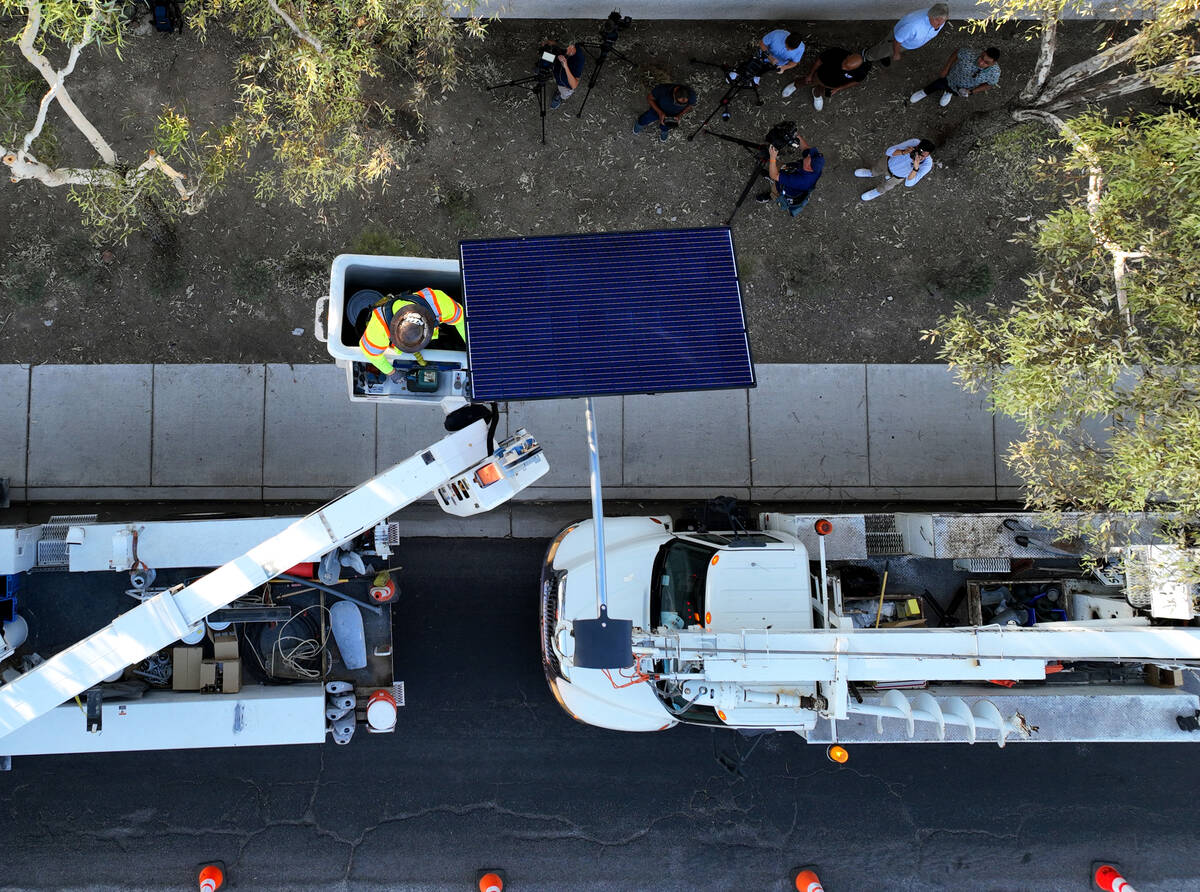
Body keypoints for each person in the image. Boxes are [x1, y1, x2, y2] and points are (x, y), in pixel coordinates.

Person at [353, 287, 465, 379]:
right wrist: (392, 372)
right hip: (371, 324)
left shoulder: (438, 303)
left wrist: (473, 346)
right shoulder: (378, 328)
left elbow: (462, 321)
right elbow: (371, 354)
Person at [783, 48, 870, 110]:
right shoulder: (836, 52)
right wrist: (810, 74)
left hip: (832, 85)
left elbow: (856, 81)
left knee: (822, 91)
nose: (843, 67)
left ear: (856, 68)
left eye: (847, 68)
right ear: (848, 56)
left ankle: (816, 94)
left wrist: (838, 88)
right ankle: (795, 85)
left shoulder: (862, 71)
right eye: (844, 63)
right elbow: (819, 61)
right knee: (807, 81)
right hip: (819, 76)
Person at [910, 46, 1001, 106]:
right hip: (950, 77)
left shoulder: (995, 73)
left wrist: (972, 92)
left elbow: (989, 85)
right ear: (983, 52)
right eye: (982, 57)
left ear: (993, 63)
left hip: (962, 88)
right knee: (937, 84)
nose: (980, 62)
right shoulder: (969, 53)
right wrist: (946, 68)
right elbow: (956, 53)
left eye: (986, 62)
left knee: (954, 92)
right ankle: (924, 92)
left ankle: (948, 93)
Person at [864, 4, 949, 68]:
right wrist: (896, 53)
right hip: (898, 42)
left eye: (943, 21)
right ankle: (867, 56)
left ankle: (884, 55)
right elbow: (897, 40)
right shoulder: (913, 26)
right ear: (931, 16)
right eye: (937, 21)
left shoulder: (939, 18)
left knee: (886, 52)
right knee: (884, 49)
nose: (940, 25)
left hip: (907, 42)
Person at [756, 138, 823, 217]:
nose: (808, 154)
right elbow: (805, 148)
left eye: (809, 157)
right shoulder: (816, 166)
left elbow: (774, 175)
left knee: (775, 186)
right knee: (777, 169)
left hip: (784, 187)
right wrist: (795, 135)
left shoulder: (800, 180)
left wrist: (773, 157)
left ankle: (770, 196)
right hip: (787, 170)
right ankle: (773, 175)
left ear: (809, 167)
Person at [854, 138, 934, 201]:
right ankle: (871, 173)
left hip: (896, 177)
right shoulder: (914, 142)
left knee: (887, 186)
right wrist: (904, 151)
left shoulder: (927, 164)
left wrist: (915, 168)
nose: (918, 155)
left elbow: (909, 184)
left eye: (922, 155)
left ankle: (877, 192)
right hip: (887, 162)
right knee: (877, 168)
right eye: (917, 151)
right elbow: (889, 152)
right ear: (917, 146)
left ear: (928, 155)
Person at [548, 42, 584, 109]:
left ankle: (560, 95)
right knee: (545, 56)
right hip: (556, 67)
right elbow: (551, 43)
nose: (565, 53)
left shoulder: (579, 59)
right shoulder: (564, 46)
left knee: (564, 93)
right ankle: (543, 65)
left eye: (566, 50)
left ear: (572, 46)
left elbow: (574, 85)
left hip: (564, 84)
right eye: (563, 50)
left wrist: (566, 66)